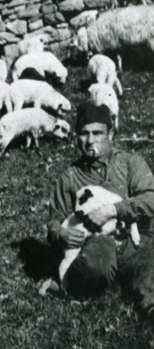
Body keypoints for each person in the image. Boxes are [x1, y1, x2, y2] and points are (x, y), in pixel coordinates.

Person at [46, 102, 154, 316]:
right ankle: (72, 282)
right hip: (98, 244)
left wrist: (112, 210)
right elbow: (54, 223)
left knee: (150, 263)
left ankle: (150, 306)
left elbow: (151, 198)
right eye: (84, 134)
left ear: (111, 134)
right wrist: (62, 234)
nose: (90, 141)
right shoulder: (70, 177)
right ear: (76, 136)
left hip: (136, 240)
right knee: (97, 264)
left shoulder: (129, 163)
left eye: (97, 133)